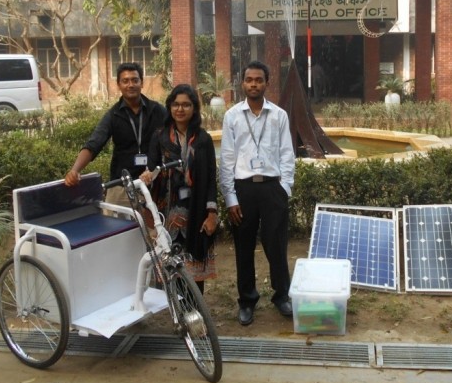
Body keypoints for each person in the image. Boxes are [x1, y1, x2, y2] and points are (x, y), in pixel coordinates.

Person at [219, 60, 296, 326]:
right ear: (242, 83)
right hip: (244, 189)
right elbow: (227, 159)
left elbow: (287, 154)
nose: (254, 84)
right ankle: (247, 301)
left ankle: (281, 295)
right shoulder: (231, 116)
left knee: (277, 245)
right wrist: (230, 198)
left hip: (273, 188)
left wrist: (284, 189)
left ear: (267, 83)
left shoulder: (279, 115)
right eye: (249, 79)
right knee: (244, 247)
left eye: (259, 80)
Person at [140, 84, 219, 293]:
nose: (180, 109)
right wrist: (148, 176)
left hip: (196, 210)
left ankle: (196, 314)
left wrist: (212, 213)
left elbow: (211, 178)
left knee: (193, 269)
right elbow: (152, 169)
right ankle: (177, 315)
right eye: (175, 104)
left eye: (186, 104)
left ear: (194, 108)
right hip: (166, 212)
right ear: (169, 107)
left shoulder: (203, 139)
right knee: (168, 267)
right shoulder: (160, 137)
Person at [64, 62, 166, 206]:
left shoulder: (158, 111)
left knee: (156, 227)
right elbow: (94, 143)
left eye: (135, 80)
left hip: (155, 182)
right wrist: (75, 170)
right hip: (121, 186)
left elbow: (175, 135)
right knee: (116, 226)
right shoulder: (113, 115)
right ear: (118, 85)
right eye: (125, 81)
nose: (130, 85)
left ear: (141, 83)